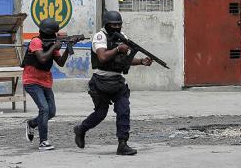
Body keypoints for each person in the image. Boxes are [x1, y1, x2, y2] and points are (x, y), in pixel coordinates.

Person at [74, 11, 153, 155]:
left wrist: (141, 61)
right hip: (101, 81)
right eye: (113, 24)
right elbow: (102, 57)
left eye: (119, 25)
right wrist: (117, 49)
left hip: (117, 81)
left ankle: (122, 144)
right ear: (107, 24)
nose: (116, 27)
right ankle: (81, 129)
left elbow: (125, 60)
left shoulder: (123, 38)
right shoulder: (100, 37)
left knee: (124, 110)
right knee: (100, 114)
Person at [23, 18, 74, 151]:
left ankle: (32, 123)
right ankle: (43, 141)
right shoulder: (36, 41)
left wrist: (68, 47)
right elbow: (42, 58)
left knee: (51, 112)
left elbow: (61, 62)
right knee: (44, 109)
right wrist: (54, 46)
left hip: (45, 81)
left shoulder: (52, 44)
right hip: (31, 81)